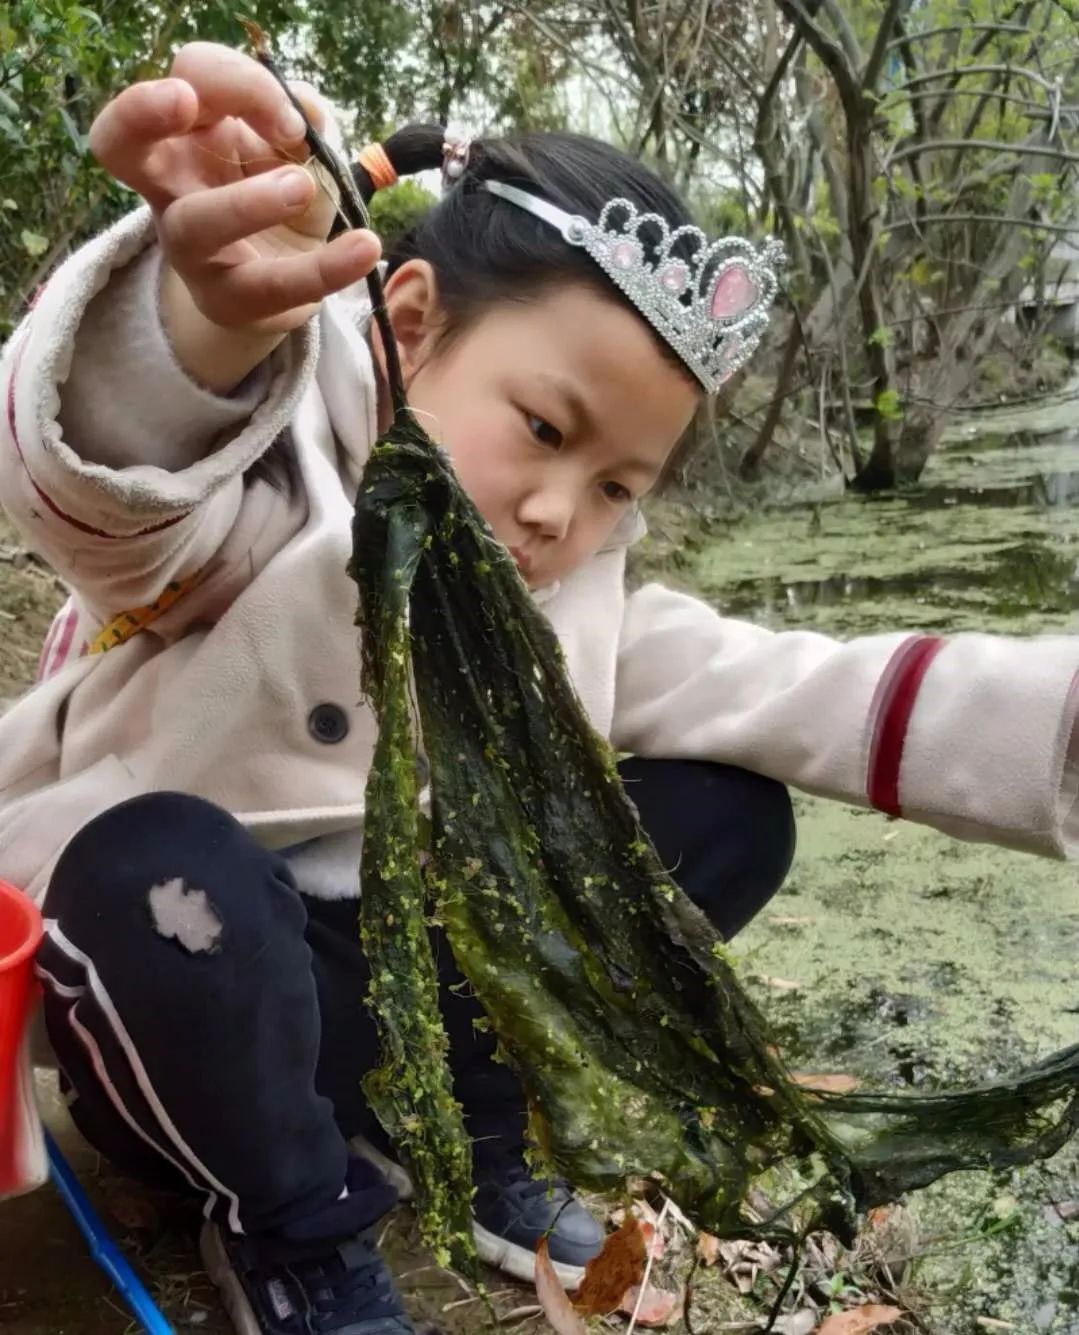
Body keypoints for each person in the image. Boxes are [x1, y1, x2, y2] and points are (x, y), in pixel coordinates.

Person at [1, 39, 1077, 1335]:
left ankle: (476, 1132)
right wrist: (197, 327)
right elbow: (101, 489)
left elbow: (815, 689)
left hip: (394, 1003)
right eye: (547, 430)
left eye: (621, 484)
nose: (564, 511)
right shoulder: (250, 485)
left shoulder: (580, 606)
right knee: (159, 871)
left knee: (728, 807)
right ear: (409, 325)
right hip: (194, 1005)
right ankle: (286, 1221)